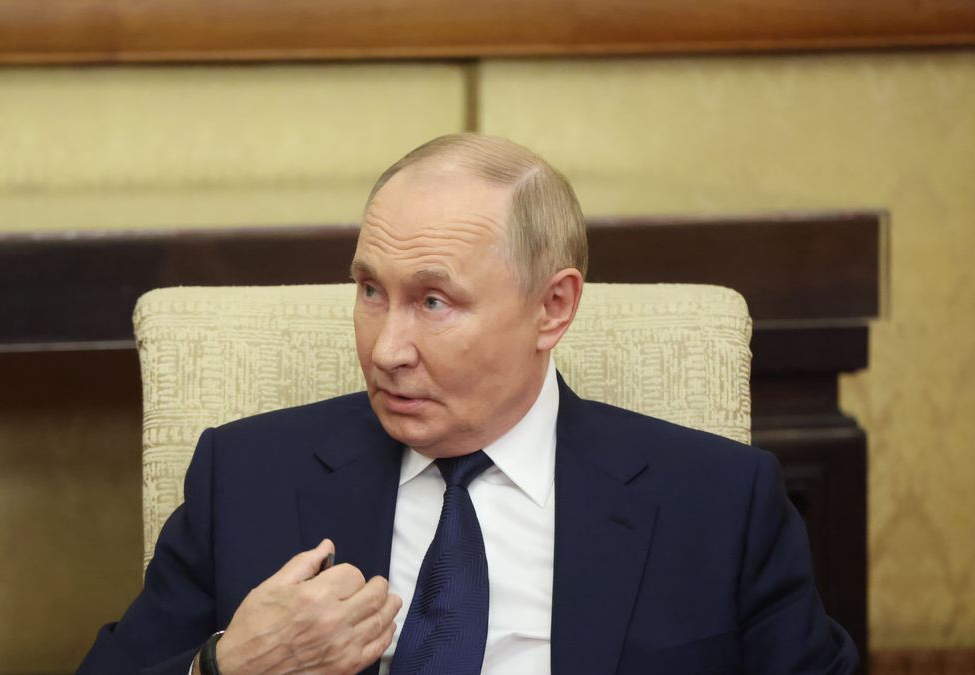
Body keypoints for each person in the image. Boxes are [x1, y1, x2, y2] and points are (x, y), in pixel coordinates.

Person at [78, 134, 858, 675]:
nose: (386, 349)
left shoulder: (718, 502)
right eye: (370, 291)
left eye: (434, 301)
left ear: (553, 307)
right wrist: (225, 664)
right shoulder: (245, 476)